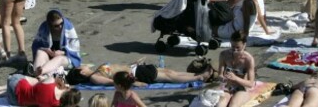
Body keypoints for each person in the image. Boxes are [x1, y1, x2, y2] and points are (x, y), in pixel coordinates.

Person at [65, 59, 212, 87]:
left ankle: (196, 75)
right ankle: (200, 77)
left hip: (137, 69)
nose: (83, 66)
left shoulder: (96, 70)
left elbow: (119, 68)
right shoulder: (95, 78)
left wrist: (134, 63)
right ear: (81, 73)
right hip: (138, 75)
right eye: (80, 68)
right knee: (169, 77)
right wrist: (136, 83)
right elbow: (116, 81)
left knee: (170, 72)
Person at [31, 10, 81, 77]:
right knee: (40, 52)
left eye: (61, 23)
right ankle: (38, 76)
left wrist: (62, 52)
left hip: (66, 58)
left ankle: (40, 72)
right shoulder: (44, 28)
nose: (60, 26)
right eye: (56, 26)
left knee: (59, 59)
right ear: (50, 25)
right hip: (49, 57)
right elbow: (37, 45)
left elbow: (74, 48)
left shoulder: (68, 26)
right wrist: (48, 51)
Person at [0, 73, 81, 107]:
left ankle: (1, 88)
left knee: (35, 81)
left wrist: (63, 85)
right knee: (33, 94)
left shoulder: (51, 81)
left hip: (14, 83)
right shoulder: (55, 104)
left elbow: (40, 78)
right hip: (16, 102)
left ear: (69, 90)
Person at [217, 31, 256, 107]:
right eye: (232, 47)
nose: (235, 50)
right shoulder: (224, 55)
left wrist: (236, 78)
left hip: (242, 88)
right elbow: (220, 75)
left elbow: (250, 84)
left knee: (233, 105)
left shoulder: (248, 59)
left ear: (244, 45)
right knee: (220, 105)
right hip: (228, 86)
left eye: (238, 47)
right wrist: (223, 79)